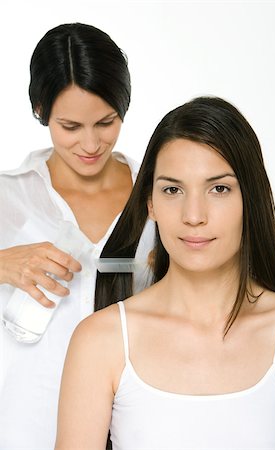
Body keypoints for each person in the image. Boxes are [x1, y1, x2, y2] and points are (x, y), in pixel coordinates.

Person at [55, 96, 275, 450]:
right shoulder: (100, 341)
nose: (194, 215)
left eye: (219, 189)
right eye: (173, 189)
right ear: (150, 203)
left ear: (251, 198)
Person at [0, 23, 153, 449]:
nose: (90, 144)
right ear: (39, 110)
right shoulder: (8, 196)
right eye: (70, 126)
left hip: (140, 423)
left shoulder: (163, 194)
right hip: (27, 424)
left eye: (106, 122)